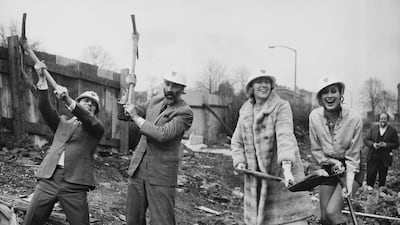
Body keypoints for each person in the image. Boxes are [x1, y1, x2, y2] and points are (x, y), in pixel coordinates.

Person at [23, 61, 105, 225]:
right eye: (85, 101)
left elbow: (89, 120)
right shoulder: (62, 122)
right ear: (79, 102)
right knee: (31, 221)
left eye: (93, 105)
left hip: (74, 184)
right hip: (48, 179)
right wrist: (42, 80)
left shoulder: (96, 129)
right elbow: (45, 108)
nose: (89, 104)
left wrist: (69, 101)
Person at [231, 69, 312, 225]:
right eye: (259, 82)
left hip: (282, 178)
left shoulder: (281, 107)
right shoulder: (245, 112)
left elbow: (285, 136)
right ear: (251, 87)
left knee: (291, 220)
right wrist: (239, 161)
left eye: (267, 82)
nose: (264, 85)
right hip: (257, 181)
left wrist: (287, 168)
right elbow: (237, 142)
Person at [118, 71, 193, 225]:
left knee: (161, 221)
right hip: (138, 169)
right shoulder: (154, 101)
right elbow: (126, 115)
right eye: (168, 84)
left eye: (176, 86)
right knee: (133, 220)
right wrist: (126, 95)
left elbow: (162, 135)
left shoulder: (185, 112)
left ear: (183, 89)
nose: (170, 89)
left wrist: (136, 117)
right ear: (163, 84)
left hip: (161, 175)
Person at [309, 76, 363, 225]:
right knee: (325, 217)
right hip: (329, 165)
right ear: (320, 97)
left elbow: (353, 156)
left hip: (352, 165)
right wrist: (331, 162)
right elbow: (316, 149)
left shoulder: (354, 119)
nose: (330, 96)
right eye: (325, 92)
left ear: (341, 94)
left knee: (332, 212)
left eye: (334, 91)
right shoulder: (314, 117)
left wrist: (349, 182)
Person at [364, 112, 399, 193]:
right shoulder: (373, 128)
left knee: (382, 175)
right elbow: (366, 140)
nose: (383, 120)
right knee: (371, 174)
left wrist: (386, 145)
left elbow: (396, 144)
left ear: (387, 120)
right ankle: (369, 191)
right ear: (379, 120)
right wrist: (373, 144)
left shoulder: (392, 131)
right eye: (381, 119)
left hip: (385, 158)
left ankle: (381, 193)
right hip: (373, 155)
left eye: (385, 119)